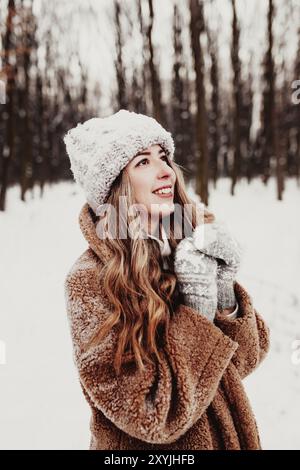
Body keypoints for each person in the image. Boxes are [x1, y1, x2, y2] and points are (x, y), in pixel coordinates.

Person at [63, 109, 270, 450]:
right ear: (115, 186)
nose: (166, 172)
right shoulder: (90, 281)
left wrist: (224, 293)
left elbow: (244, 361)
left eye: (164, 157)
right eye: (142, 162)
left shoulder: (187, 246)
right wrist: (197, 311)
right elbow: (150, 416)